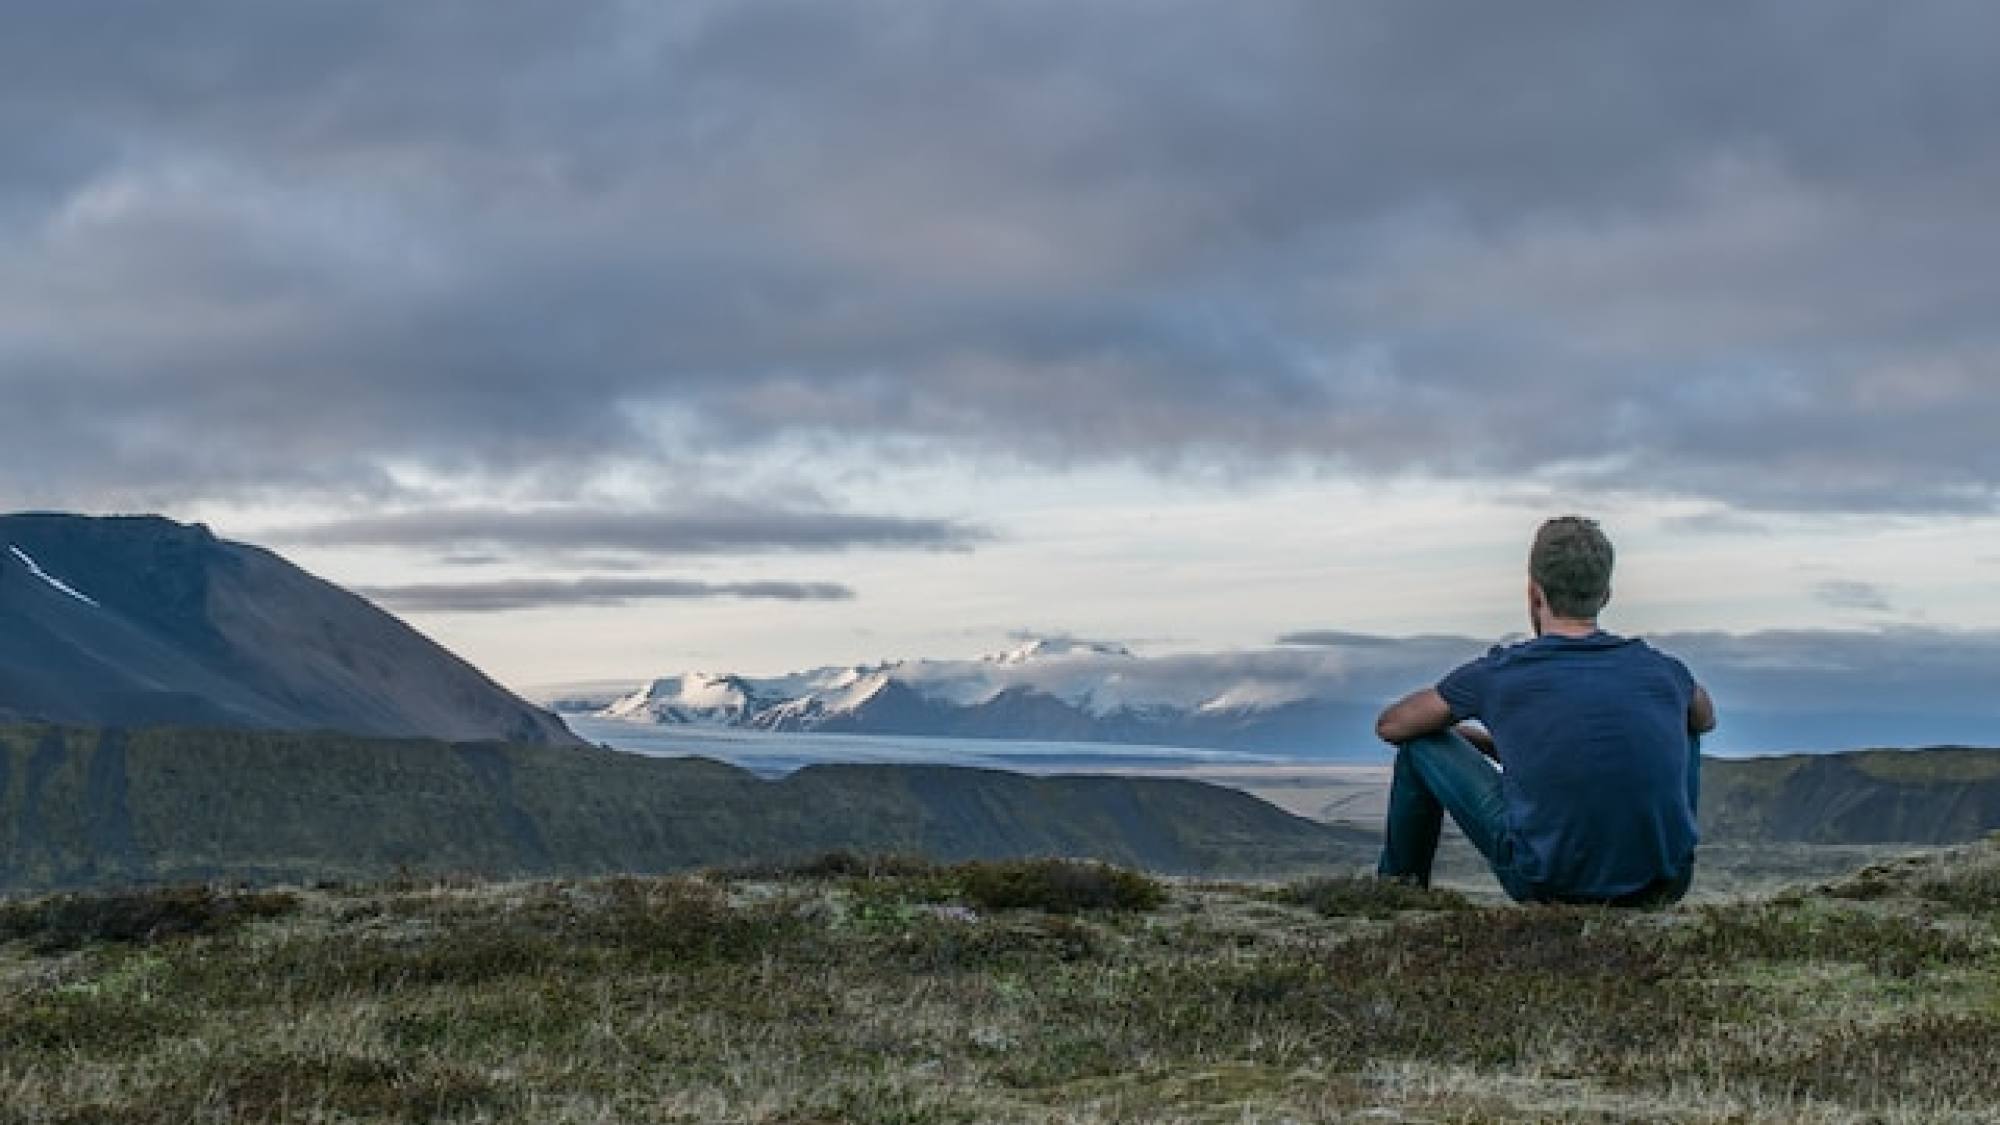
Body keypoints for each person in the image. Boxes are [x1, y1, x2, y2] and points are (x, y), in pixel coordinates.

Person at [1373, 516, 1716, 907]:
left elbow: (1392, 725)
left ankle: (1396, 895)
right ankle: (1657, 856)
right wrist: (1496, 745)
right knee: (1688, 720)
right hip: (1665, 884)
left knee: (1419, 749)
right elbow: (1706, 717)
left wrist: (1453, 735)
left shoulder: (1499, 673)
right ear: (1605, 594)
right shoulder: (1663, 670)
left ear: (1535, 593)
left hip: (1547, 884)